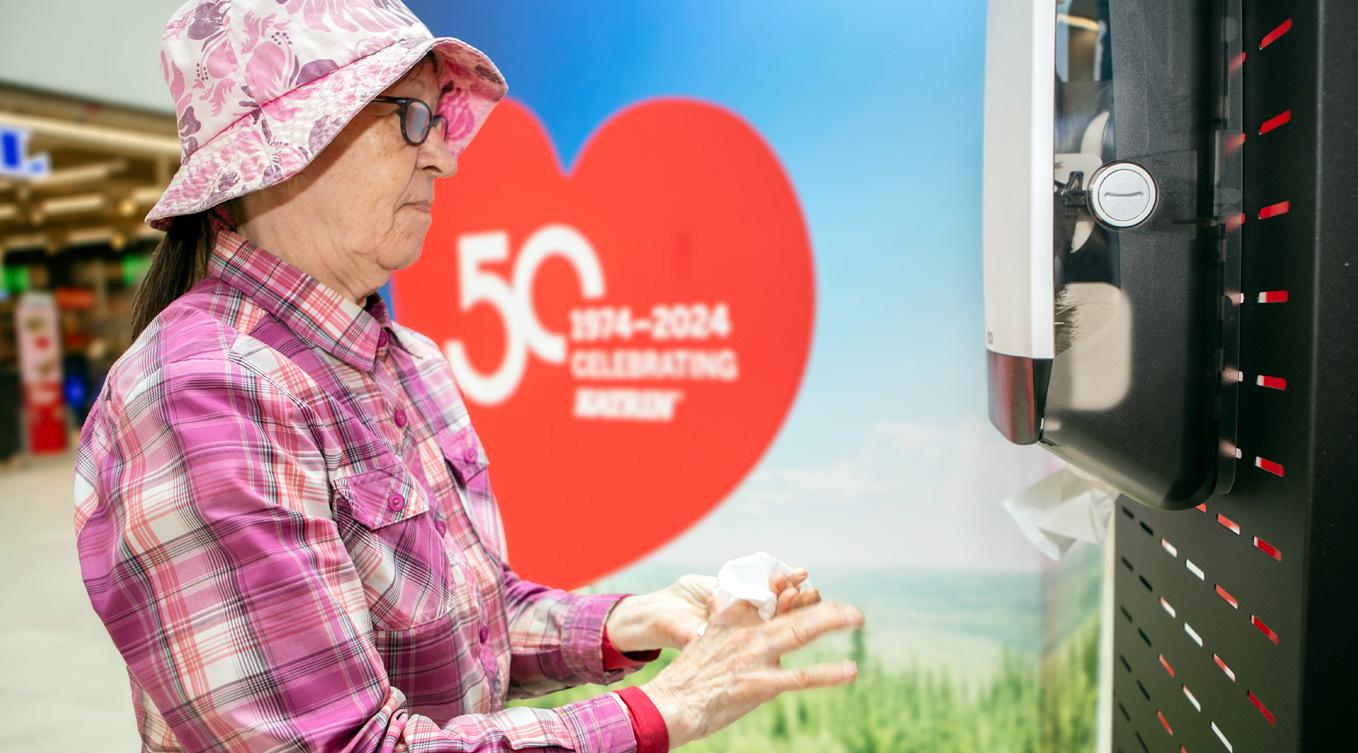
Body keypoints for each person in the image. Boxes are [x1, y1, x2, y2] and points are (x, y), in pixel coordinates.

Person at [73, 2, 863, 752]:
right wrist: (666, 707)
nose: (445, 157)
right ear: (283, 147)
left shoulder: (404, 359)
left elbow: (471, 619)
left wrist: (629, 620)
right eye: (410, 117)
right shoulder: (203, 396)